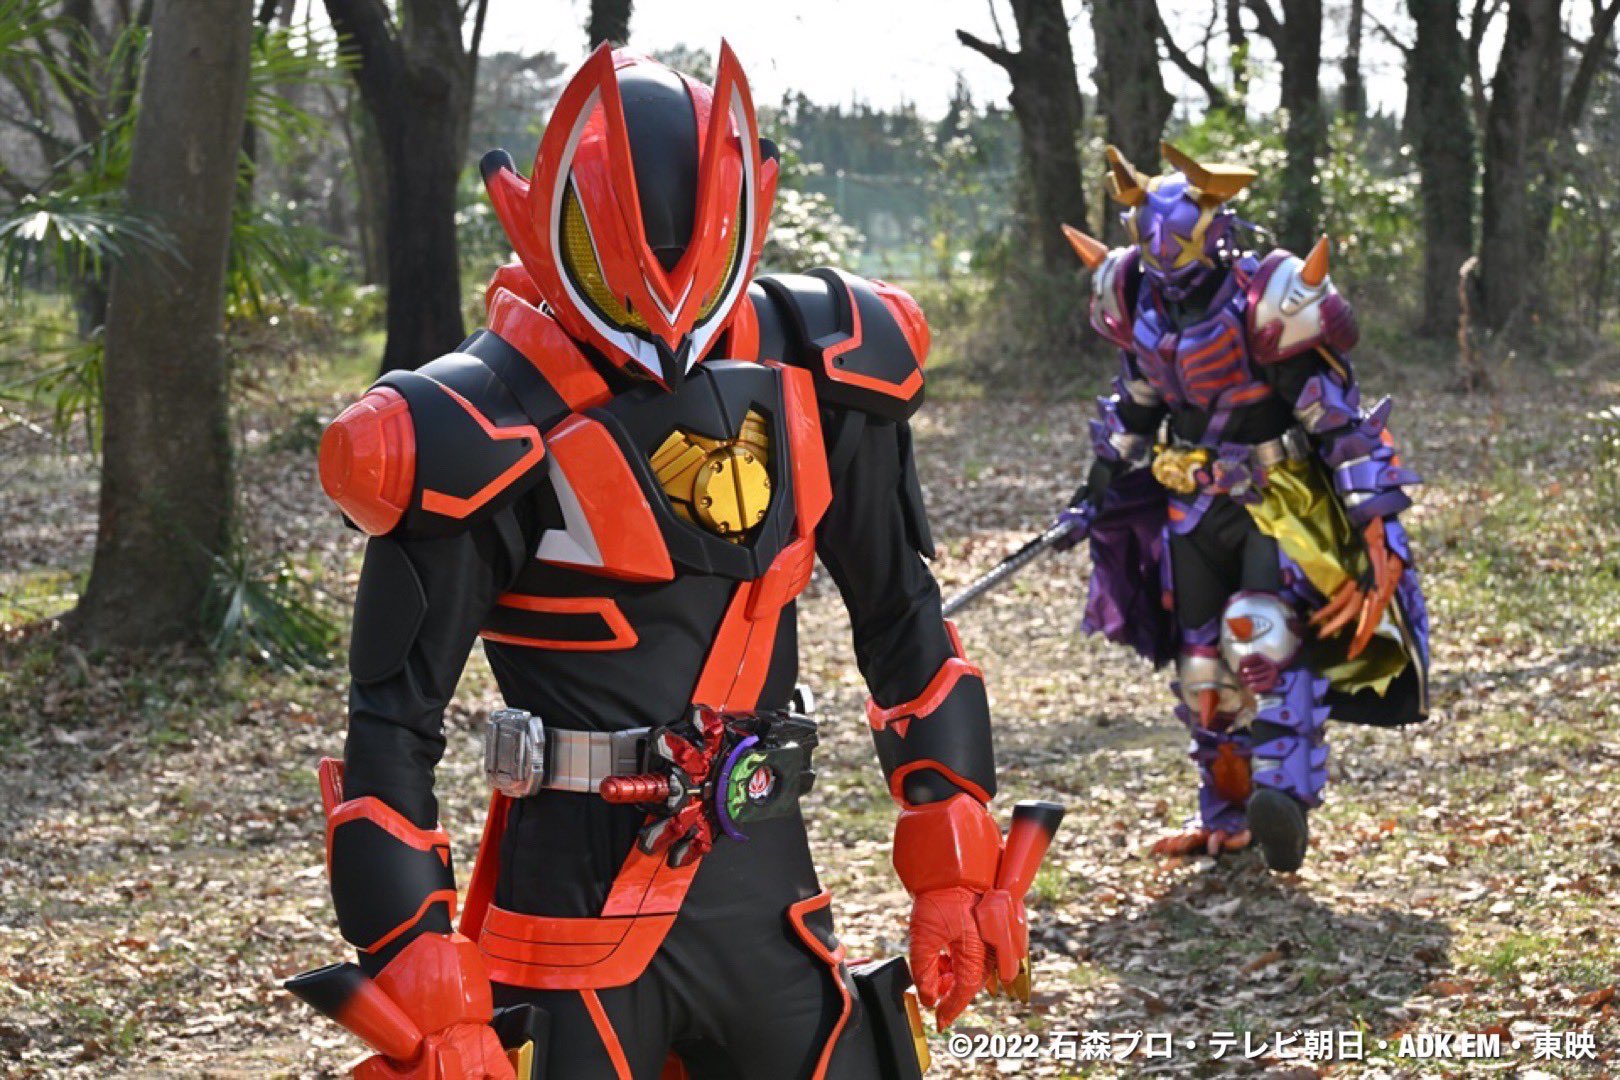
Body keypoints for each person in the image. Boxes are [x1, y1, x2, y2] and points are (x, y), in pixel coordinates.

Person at [303, 44, 1030, 1079]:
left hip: (768, 900)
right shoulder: (467, 425)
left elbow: (904, 621)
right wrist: (422, 971)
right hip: (568, 926)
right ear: (537, 219)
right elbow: (389, 731)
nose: (663, 301)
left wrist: (951, 854)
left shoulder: (826, 362)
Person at [1056, 142, 1430, 873]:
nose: (1166, 257)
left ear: (1214, 230)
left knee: (1262, 638)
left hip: (1274, 499)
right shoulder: (1133, 297)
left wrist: (1374, 523)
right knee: (1201, 663)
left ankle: (1283, 799)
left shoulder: (1267, 300)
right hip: (1188, 502)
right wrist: (1092, 492)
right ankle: (1225, 813)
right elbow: (1136, 406)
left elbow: (1334, 419)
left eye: (1179, 240)